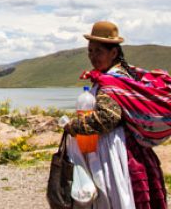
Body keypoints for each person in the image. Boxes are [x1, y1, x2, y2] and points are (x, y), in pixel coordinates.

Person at [65, 21, 167, 209]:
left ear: (113, 53)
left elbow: (108, 118)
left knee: (115, 198)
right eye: (90, 51)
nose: (92, 57)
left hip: (116, 153)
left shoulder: (111, 81)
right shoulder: (123, 76)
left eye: (98, 52)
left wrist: (74, 126)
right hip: (131, 149)